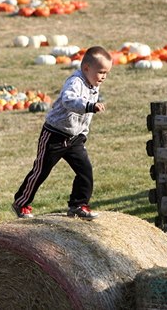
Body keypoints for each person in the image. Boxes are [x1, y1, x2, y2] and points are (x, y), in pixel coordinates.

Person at [12, 46, 112, 221]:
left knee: (85, 171)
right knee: (41, 170)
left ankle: (78, 205)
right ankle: (21, 202)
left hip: (75, 138)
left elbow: (85, 118)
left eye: (107, 73)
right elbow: (68, 100)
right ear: (86, 68)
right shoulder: (75, 81)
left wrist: (83, 134)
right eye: (101, 72)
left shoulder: (94, 84)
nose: (104, 76)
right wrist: (89, 106)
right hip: (54, 135)